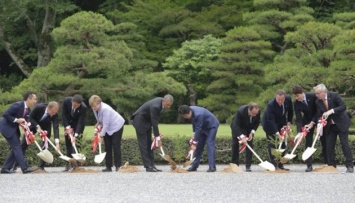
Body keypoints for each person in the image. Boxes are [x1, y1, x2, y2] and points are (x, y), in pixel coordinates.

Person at [313, 84, 354, 173]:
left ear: (323, 92)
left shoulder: (334, 95)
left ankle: (349, 165)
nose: (316, 95)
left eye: (317, 93)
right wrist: (319, 122)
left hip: (341, 123)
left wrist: (331, 111)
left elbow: (343, 107)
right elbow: (319, 114)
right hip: (330, 125)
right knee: (329, 145)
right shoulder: (318, 102)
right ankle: (332, 165)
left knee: (344, 144)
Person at [131, 94, 174, 172]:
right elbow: (155, 123)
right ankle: (148, 166)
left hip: (147, 122)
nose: (168, 107)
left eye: (170, 105)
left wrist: (156, 136)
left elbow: (154, 120)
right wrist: (158, 138)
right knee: (143, 145)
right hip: (139, 121)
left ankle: (152, 165)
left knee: (149, 144)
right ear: (164, 101)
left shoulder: (161, 103)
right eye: (167, 105)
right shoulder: (155, 106)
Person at [13, 101, 60, 171]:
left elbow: (56, 127)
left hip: (45, 128)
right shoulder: (39, 107)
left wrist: (57, 143)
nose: (54, 114)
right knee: (24, 144)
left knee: (45, 145)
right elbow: (30, 117)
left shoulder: (55, 114)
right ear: (49, 108)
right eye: (53, 112)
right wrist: (37, 126)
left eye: (55, 112)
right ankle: (15, 165)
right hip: (33, 125)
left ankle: (41, 166)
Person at [0, 91, 38, 174]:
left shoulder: (28, 110)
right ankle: (24, 168)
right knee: (17, 147)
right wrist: (16, 120)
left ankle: (5, 168)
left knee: (16, 149)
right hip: (6, 128)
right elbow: (5, 114)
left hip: (13, 129)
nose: (36, 101)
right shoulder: (18, 105)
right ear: (29, 98)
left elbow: (27, 121)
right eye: (34, 99)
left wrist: (32, 129)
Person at [291, 85, 327, 172]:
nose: (296, 98)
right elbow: (299, 119)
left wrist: (314, 122)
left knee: (324, 140)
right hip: (307, 122)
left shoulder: (313, 96)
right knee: (308, 142)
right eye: (295, 96)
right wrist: (299, 132)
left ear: (302, 93)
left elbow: (319, 110)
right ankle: (309, 165)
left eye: (298, 96)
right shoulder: (296, 103)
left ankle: (327, 163)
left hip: (319, 119)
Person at [178, 105, 220, 172]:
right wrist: (194, 135)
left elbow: (198, 128)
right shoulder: (190, 111)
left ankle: (212, 167)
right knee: (199, 145)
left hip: (211, 125)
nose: (185, 118)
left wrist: (194, 143)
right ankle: (194, 166)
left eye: (185, 116)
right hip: (202, 127)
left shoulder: (198, 114)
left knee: (210, 143)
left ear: (189, 112)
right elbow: (194, 124)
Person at [89, 95, 125, 172]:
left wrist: (101, 136)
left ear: (99, 103)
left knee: (116, 145)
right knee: (107, 146)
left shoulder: (105, 109)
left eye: (94, 106)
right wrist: (98, 123)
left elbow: (106, 124)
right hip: (107, 127)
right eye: (92, 107)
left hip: (117, 126)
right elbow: (99, 119)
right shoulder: (95, 109)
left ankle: (118, 166)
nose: (93, 108)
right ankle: (108, 166)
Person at [261, 89, 293, 170]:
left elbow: (290, 111)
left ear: (285, 98)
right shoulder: (271, 105)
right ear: (276, 97)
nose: (280, 101)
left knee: (282, 144)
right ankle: (274, 165)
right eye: (278, 100)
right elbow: (271, 121)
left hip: (281, 122)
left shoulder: (288, 99)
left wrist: (288, 122)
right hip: (269, 124)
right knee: (273, 143)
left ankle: (281, 164)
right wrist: (277, 133)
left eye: (282, 100)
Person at [230, 103, 260, 172]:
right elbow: (236, 125)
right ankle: (235, 164)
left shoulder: (257, 112)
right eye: (253, 114)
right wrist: (242, 136)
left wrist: (252, 132)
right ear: (249, 110)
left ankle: (248, 166)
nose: (254, 115)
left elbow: (257, 123)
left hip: (249, 129)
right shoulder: (240, 111)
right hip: (237, 128)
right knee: (235, 145)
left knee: (250, 145)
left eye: (256, 114)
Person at [61, 94, 87, 171]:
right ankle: (68, 164)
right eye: (74, 104)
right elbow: (63, 115)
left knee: (77, 144)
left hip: (78, 126)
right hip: (68, 123)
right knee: (68, 144)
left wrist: (75, 135)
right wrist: (67, 127)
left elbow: (80, 122)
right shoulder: (66, 101)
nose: (76, 106)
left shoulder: (83, 107)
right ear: (72, 101)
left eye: (78, 105)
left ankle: (77, 164)